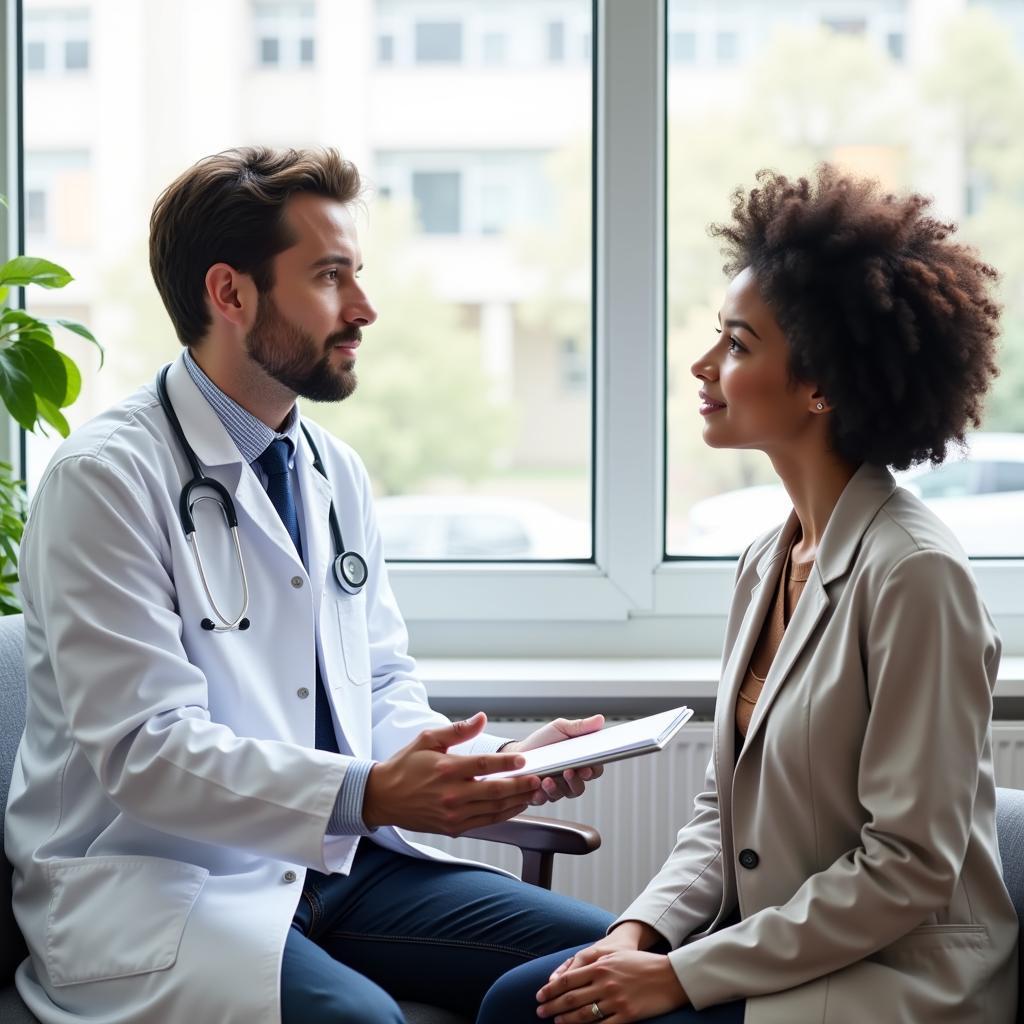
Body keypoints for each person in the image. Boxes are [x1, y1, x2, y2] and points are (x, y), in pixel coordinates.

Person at [3, 146, 615, 1024]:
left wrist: (473, 770)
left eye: (356, 276)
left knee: (609, 968)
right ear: (231, 293)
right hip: (164, 885)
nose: (363, 309)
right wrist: (364, 791)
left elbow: (380, 684)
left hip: (342, 868)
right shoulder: (104, 480)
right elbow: (146, 750)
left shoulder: (334, 471)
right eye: (331, 278)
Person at [478, 165, 1019, 1023]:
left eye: (736, 345)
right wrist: (641, 934)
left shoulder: (916, 575)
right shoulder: (770, 558)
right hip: (785, 951)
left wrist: (681, 978)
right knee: (527, 998)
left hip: (893, 981)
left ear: (821, 386)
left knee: (525, 1013)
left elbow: (910, 865)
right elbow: (721, 807)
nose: (703, 366)